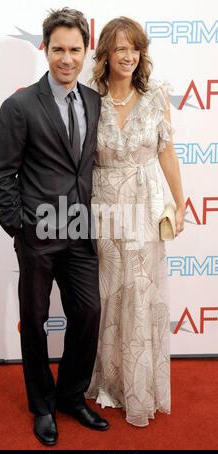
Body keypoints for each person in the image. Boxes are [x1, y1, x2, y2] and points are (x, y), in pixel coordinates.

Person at [0, 8, 109, 446]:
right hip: (37, 236)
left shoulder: (93, 100)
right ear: (45, 48)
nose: (67, 58)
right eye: (58, 48)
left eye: (75, 49)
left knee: (88, 313)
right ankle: (43, 406)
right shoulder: (19, 106)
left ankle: (72, 396)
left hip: (79, 234)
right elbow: (0, 173)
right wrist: (20, 225)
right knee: (34, 322)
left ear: (85, 50)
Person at [86, 17, 185, 427]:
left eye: (135, 48)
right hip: (105, 209)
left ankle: (140, 386)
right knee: (110, 298)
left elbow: (167, 153)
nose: (128, 56)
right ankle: (109, 383)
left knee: (142, 297)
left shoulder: (155, 97)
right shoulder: (90, 98)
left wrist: (180, 203)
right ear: (106, 54)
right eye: (120, 48)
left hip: (145, 207)